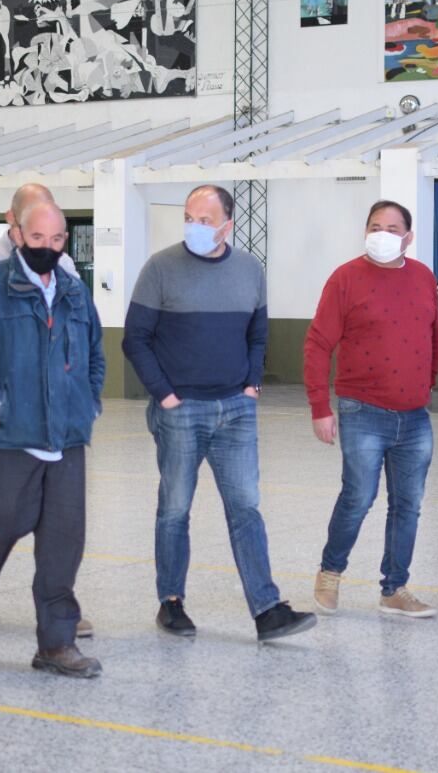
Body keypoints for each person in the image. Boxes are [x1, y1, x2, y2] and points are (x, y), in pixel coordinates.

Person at [123, 184, 315, 643]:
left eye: (205, 220)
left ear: (228, 224)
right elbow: (135, 338)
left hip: (236, 409)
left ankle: (267, 610)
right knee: (174, 509)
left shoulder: (250, 269)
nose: (195, 226)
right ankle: (171, 602)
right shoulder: (161, 268)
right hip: (180, 410)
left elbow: (257, 332)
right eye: (190, 216)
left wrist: (252, 385)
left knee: (246, 508)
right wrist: (165, 395)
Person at [0, 199, 105, 678]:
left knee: (63, 542)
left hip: (67, 438)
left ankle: (56, 643)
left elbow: (95, 353)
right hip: (10, 438)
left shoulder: (75, 292)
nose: (48, 249)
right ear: (16, 235)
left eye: (58, 241)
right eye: (38, 239)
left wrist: (88, 403)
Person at [304, 201, 438, 618]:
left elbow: (434, 336)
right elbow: (317, 344)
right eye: (374, 226)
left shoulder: (422, 278)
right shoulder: (345, 278)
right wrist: (319, 406)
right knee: (358, 496)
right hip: (362, 410)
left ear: (408, 237)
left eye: (392, 227)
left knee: (408, 504)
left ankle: (394, 588)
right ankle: (330, 574)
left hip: (415, 417)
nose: (382, 233)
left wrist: (425, 385)